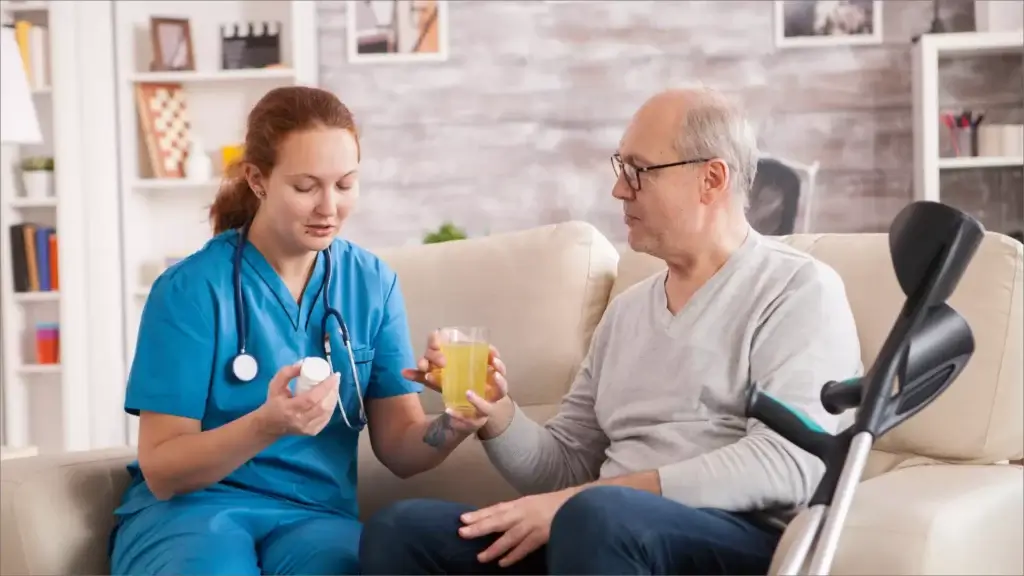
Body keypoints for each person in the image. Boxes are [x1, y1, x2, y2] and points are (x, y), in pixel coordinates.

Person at [359, 86, 863, 575]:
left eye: (639, 171)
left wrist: (587, 500)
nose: (619, 189)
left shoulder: (797, 289)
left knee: (596, 517)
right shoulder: (626, 313)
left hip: (732, 538)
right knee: (402, 530)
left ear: (711, 179)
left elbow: (789, 464)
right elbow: (566, 467)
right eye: (622, 168)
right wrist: (496, 413)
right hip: (600, 534)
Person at [108, 86, 502, 575]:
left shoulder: (371, 284)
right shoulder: (190, 290)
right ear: (257, 179)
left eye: (345, 184)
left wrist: (455, 423)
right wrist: (264, 424)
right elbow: (163, 471)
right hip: (191, 512)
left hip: (314, 516)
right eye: (305, 186)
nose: (328, 207)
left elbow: (400, 447)